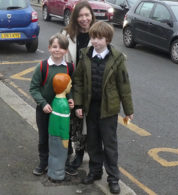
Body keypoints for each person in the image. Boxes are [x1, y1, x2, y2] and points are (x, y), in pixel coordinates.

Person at [72, 21, 134, 194]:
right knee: (92, 142)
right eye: (93, 37)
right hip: (90, 108)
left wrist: (129, 110)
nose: (96, 41)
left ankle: (113, 178)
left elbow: (124, 85)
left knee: (110, 145)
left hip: (109, 109)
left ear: (107, 39)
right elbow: (77, 81)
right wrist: (78, 103)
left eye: (99, 38)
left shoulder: (117, 58)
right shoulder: (85, 55)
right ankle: (95, 171)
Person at [29, 33, 74, 176]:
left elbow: (71, 87)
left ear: (66, 51)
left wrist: (71, 99)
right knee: (44, 138)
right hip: (44, 110)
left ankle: (63, 161)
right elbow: (34, 88)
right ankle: (43, 162)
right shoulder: (42, 67)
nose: (57, 50)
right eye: (54, 47)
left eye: (61, 48)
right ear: (49, 48)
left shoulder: (69, 68)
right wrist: (42, 103)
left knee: (63, 136)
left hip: (62, 112)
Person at [62, 0, 96, 174]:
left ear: (92, 16)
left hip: (88, 88)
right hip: (69, 86)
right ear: (75, 17)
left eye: (87, 15)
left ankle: (80, 156)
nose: (84, 19)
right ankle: (67, 152)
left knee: (83, 124)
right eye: (80, 15)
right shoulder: (67, 35)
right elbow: (60, 60)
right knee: (69, 122)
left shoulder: (97, 35)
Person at [48, 73, 72, 182]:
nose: (71, 86)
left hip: (52, 133)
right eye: (70, 84)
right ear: (64, 86)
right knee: (61, 156)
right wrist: (65, 139)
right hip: (61, 137)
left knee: (53, 154)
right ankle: (58, 175)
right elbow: (64, 125)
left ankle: (51, 173)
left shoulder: (55, 100)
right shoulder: (64, 105)